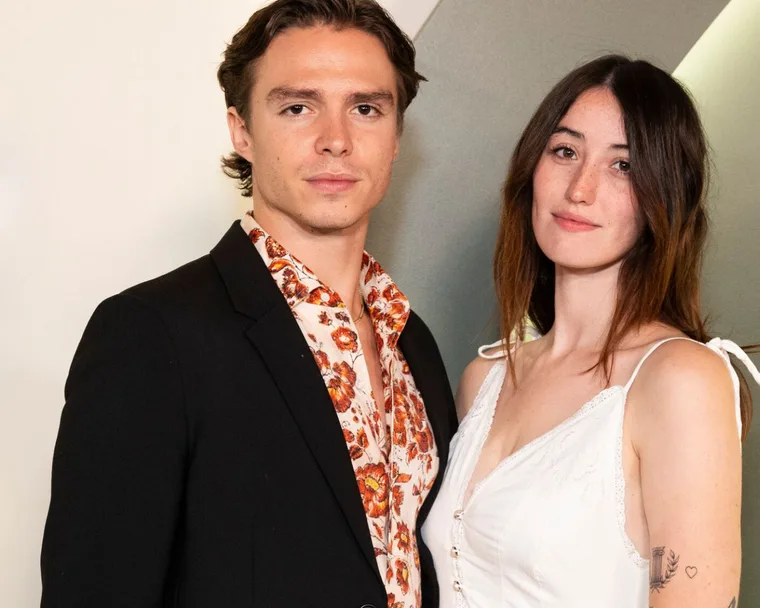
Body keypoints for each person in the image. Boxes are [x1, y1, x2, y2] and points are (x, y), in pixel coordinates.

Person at [41, 1, 457, 606]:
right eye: (297, 107)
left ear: (395, 138)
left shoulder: (411, 339)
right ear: (242, 131)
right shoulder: (151, 334)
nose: (336, 140)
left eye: (366, 108)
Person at [422, 55, 760, 608]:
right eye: (565, 151)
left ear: (664, 197)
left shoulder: (679, 379)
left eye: (622, 166)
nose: (580, 188)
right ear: (532, 169)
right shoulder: (483, 378)